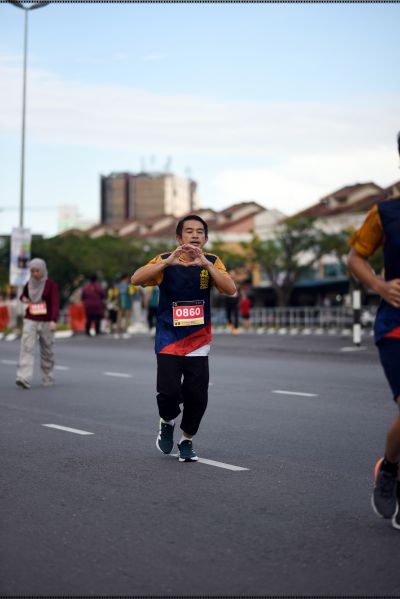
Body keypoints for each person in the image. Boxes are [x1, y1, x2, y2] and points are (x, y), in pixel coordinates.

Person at [131, 214, 236, 462]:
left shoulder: (212, 261)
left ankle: (187, 440)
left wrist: (206, 265)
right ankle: (167, 421)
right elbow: (136, 279)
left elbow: (231, 289)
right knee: (168, 393)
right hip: (168, 340)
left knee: (196, 397)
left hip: (198, 342)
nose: (195, 235)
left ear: (206, 239)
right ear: (179, 238)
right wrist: (167, 263)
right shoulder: (164, 260)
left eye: (200, 232)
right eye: (189, 231)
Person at [347, 133, 400, 530]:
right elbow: (355, 258)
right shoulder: (385, 213)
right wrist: (380, 287)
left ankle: (391, 466)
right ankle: (392, 470)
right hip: (396, 324)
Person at [15, 258, 59, 389]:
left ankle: (47, 377)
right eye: (32, 271)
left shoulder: (50, 284)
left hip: (46, 321)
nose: (35, 274)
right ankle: (24, 377)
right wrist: (23, 298)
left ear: (43, 270)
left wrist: (53, 320)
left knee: (47, 350)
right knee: (27, 347)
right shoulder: (29, 284)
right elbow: (23, 296)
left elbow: (55, 303)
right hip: (31, 318)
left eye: (37, 271)